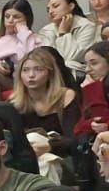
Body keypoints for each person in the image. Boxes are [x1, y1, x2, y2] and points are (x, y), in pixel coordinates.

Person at [12, 48, 83, 183]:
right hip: (30, 158)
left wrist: (50, 146)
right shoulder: (15, 102)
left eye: (38, 69)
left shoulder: (65, 96)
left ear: (50, 73)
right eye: (25, 70)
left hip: (64, 157)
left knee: (45, 160)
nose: (31, 75)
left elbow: (75, 139)